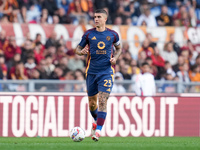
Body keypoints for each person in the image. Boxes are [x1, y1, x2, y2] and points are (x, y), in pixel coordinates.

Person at [74, 9, 121, 141]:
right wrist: (81, 51)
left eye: (99, 17)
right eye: (95, 17)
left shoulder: (113, 34)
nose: (96, 19)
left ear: (105, 19)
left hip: (106, 72)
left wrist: (115, 58)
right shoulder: (88, 34)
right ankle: (96, 120)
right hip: (91, 72)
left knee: (102, 100)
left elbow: (119, 48)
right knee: (92, 104)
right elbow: (77, 49)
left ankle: (98, 131)